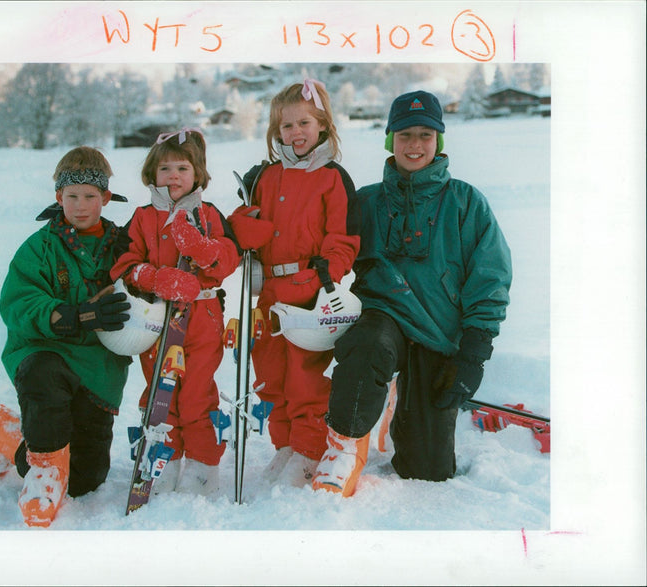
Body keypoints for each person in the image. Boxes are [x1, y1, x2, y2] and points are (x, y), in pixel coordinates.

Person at [312, 90, 513, 497]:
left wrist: (473, 353)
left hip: (439, 333)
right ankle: (343, 449)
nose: (415, 145)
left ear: (439, 139)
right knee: (366, 344)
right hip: (381, 320)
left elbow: (490, 278)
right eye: (405, 135)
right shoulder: (366, 202)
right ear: (390, 140)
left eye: (425, 134)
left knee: (428, 470)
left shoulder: (466, 202)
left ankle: (396, 406)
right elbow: (320, 241)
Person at [0, 146, 133, 527]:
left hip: (99, 369)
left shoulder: (124, 245)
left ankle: (7, 435)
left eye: (90, 196)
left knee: (85, 479)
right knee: (43, 376)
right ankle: (42, 473)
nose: (80, 205)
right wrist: (72, 315)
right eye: (71, 196)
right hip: (47, 351)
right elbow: (19, 303)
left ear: (106, 198)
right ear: (58, 197)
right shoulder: (39, 247)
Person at [227, 79, 360, 487]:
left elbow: (343, 238)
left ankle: (308, 450)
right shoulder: (268, 177)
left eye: (304, 123)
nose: (295, 133)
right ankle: (285, 444)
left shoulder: (331, 178)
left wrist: (325, 275)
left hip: (306, 290)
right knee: (270, 375)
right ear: (275, 132)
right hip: (268, 290)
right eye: (286, 127)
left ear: (322, 125)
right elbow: (256, 232)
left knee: (304, 378)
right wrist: (242, 221)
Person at [109, 128, 240, 496]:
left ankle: (202, 467)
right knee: (160, 391)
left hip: (203, 317)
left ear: (197, 174)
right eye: (165, 168)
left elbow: (229, 258)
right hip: (158, 318)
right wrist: (153, 277)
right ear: (152, 175)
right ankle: (163, 459)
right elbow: (123, 264)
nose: (174, 176)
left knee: (197, 392)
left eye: (183, 167)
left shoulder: (209, 214)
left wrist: (203, 250)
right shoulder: (142, 217)